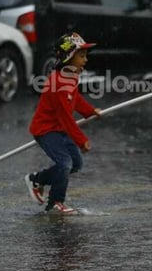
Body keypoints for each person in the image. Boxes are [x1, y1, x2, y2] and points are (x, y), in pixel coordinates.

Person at [24, 32, 102, 215]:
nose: (85, 60)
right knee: (64, 163)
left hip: (59, 128)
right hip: (46, 130)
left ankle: (37, 179)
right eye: (81, 56)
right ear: (68, 57)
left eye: (85, 55)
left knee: (75, 163)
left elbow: (75, 99)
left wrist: (89, 111)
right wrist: (81, 139)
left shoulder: (70, 75)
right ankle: (56, 203)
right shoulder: (59, 81)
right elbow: (65, 117)